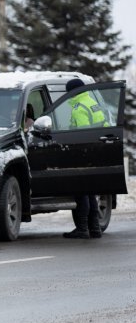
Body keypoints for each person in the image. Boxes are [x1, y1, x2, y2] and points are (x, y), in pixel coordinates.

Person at [63, 78, 104, 239]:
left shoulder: (79, 108)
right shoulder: (93, 103)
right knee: (90, 192)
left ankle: (82, 228)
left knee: (81, 192)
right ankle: (95, 228)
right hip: (95, 152)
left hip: (83, 154)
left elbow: (81, 135)